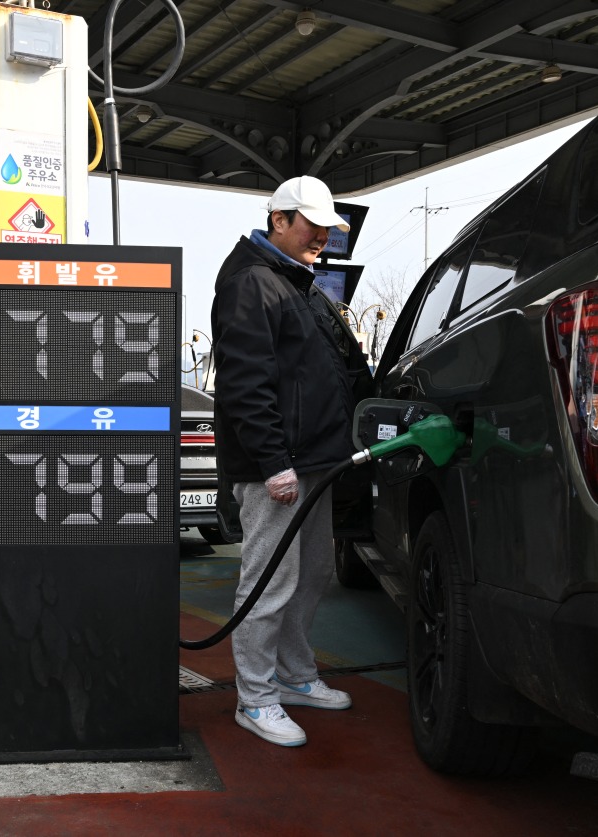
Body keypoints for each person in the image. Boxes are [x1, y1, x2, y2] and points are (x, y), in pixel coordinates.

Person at [211, 175, 357, 747]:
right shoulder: (252, 281)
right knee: (270, 584)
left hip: (313, 461)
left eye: (327, 227)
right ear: (279, 219)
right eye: (310, 224)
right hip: (279, 465)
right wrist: (273, 461)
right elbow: (245, 384)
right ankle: (256, 697)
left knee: (312, 573)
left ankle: (295, 678)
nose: (321, 235)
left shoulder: (293, 282)